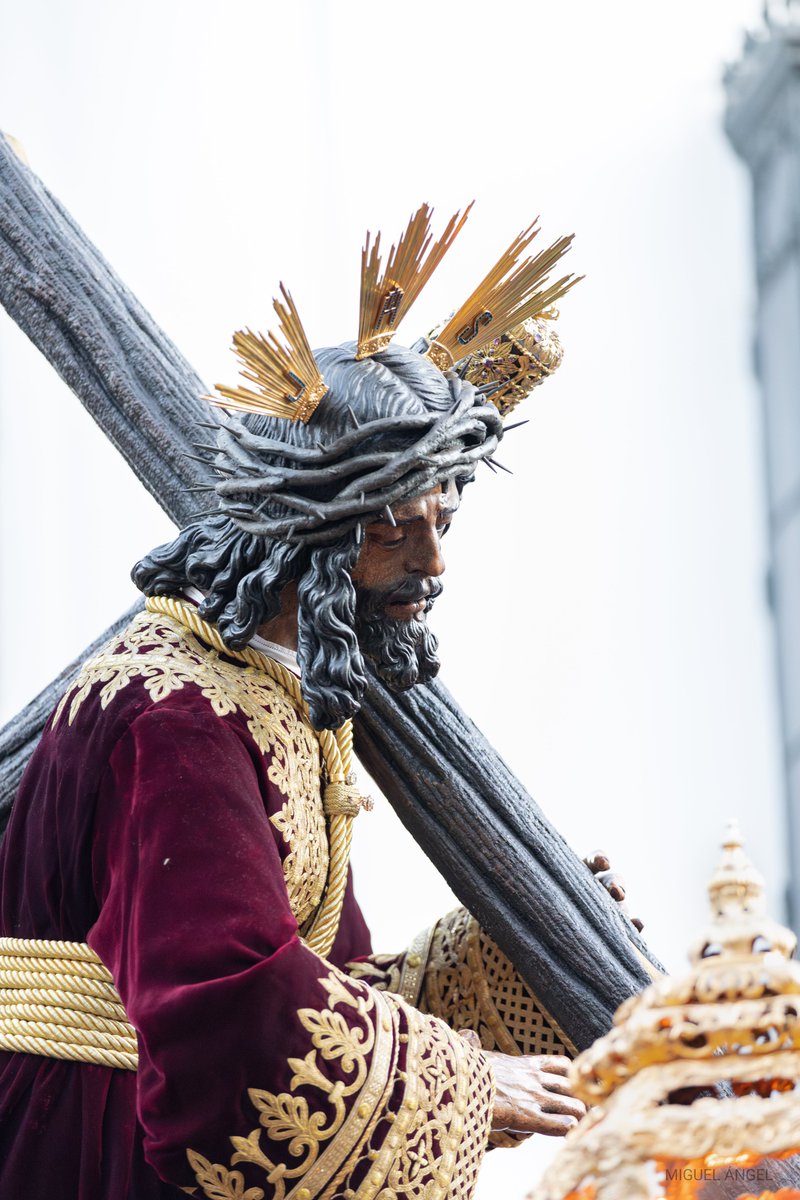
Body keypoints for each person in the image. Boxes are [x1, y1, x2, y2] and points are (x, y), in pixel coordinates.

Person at [0, 205, 596, 1199]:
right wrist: (465, 1084)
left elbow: (320, 987)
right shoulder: (177, 723)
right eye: (395, 530)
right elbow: (227, 1023)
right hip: (93, 1146)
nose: (433, 561)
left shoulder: (270, 695)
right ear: (308, 532)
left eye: (444, 519)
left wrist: (496, 964)